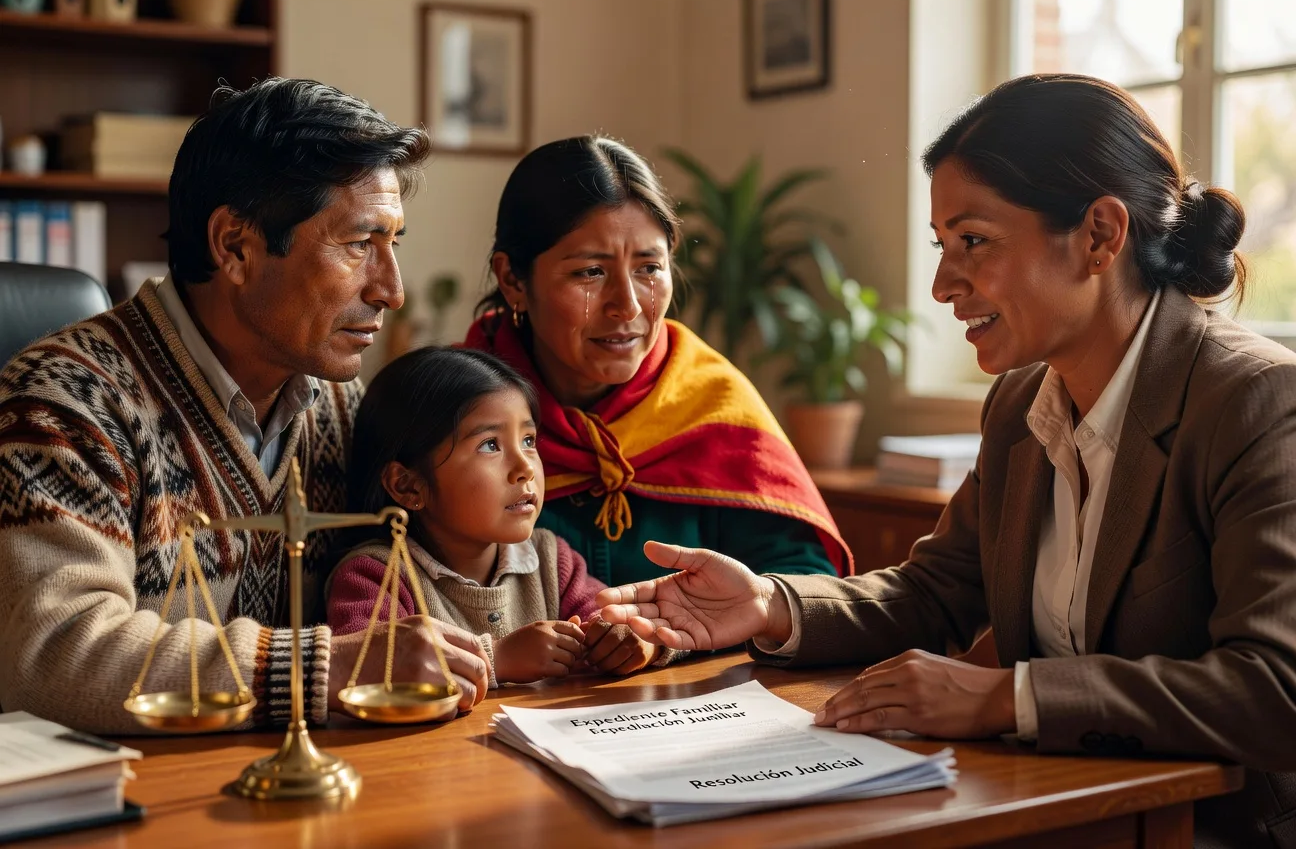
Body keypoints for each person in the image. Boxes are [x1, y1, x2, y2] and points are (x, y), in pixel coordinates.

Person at [597, 74, 1296, 848]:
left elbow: (1276, 689)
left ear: (1100, 235)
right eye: (942, 245)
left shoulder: (1257, 401)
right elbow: (937, 592)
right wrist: (769, 604)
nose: (941, 284)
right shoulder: (1021, 405)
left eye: (973, 242)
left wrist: (1008, 699)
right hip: (1071, 808)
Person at [0, 78, 489, 733]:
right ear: (234, 246)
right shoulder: (61, 404)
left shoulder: (342, 401)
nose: (392, 290)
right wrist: (325, 668)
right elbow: (53, 655)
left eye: (392, 244)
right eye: (357, 244)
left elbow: (431, 577)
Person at [463, 135, 852, 588]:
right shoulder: (451, 413)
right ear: (512, 279)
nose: (627, 307)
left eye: (649, 268)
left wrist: (687, 630)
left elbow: (806, 585)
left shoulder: (713, 402)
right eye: (591, 272)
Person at [328, 347, 666, 685]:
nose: (524, 468)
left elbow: (610, 621)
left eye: (529, 440)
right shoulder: (375, 577)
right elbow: (372, 678)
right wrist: (496, 659)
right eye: (490, 445)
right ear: (408, 486)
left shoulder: (551, 559)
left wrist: (630, 640)